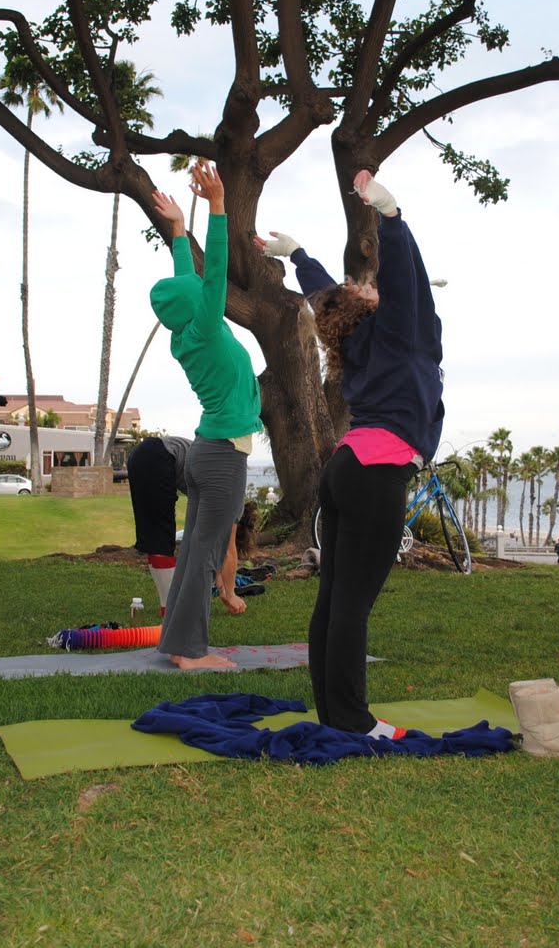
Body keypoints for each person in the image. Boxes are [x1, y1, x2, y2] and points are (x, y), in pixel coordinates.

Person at [259, 168, 443, 738]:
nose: (370, 287)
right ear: (368, 308)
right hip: (375, 476)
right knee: (353, 605)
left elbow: (324, 296)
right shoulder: (398, 332)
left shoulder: (353, 338)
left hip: (344, 472)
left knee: (335, 600)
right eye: (366, 290)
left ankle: (334, 713)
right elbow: (410, 282)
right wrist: (391, 218)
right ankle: (354, 721)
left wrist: (297, 255)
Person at [149, 160, 262, 669]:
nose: (201, 287)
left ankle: (177, 646)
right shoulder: (209, 328)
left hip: (207, 453)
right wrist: (217, 206)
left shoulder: (186, 332)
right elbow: (211, 271)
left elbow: (187, 278)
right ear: (200, 305)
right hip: (220, 460)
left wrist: (177, 228)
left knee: (197, 555)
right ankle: (190, 652)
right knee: (205, 558)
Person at [126, 434, 251, 615]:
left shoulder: (222, 488)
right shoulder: (233, 505)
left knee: (155, 538)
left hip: (143, 453)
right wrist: (230, 594)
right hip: (159, 456)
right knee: (160, 539)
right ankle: (172, 610)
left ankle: (170, 607)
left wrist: (220, 585)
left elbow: (212, 549)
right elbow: (228, 551)